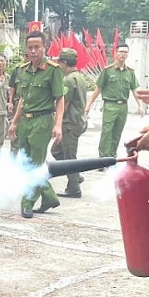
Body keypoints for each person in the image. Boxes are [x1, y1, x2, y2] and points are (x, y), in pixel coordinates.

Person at [9, 31, 64, 218]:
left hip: (42, 121)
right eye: (30, 47)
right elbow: (23, 100)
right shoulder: (23, 70)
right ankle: (49, 197)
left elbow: (59, 99)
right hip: (25, 120)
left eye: (37, 47)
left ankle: (27, 203)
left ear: (44, 47)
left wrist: (58, 125)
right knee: (25, 163)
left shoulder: (52, 70)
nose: (33, 51)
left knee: (35, 164)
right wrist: (14, 122)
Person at [84, 43, 142, 157]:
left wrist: (140, 105)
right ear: (115, 53)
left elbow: (135, 89)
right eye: (121, 51)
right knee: (107, 132)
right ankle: (102, 158)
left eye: (125, 52)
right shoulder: (108, 71)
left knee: (117, 133)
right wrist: (88, 105)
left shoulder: (130, 72)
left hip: (123, 107)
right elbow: (98, 89)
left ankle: (111, 157)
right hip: (110, 105)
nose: (123, 54)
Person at [50, 47, 89, 198]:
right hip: (77, 121)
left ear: (64, 63)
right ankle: (75, 176)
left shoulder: (68, 80)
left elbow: (64, 104)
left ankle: (74, 188)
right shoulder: (79, 77)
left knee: (70, 156)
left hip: (69, 124)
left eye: (59, 62)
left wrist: (55, 123)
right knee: (57, 151)